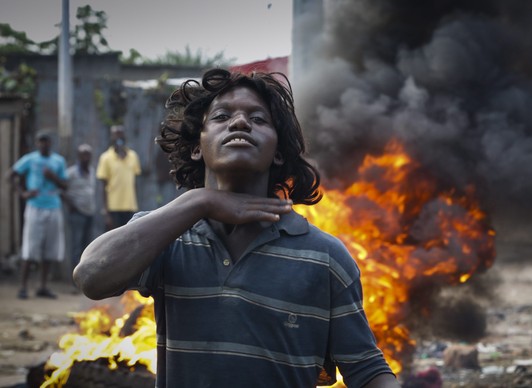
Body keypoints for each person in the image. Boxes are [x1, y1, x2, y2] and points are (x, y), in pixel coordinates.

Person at [74, 69, 401, 387]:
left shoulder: (325, 257)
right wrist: (199, 202)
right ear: (198, 147)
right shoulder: (167, 237)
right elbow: (91, 276)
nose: (241, 122)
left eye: (258, 119)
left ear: (277, 153)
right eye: (221, 117)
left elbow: (368, 370)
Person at [7, 130, 68, 299]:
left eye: (46, 141)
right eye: (40, 141)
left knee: (50, 249)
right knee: (29, 249)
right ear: (36, 143)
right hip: (35, 207)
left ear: (51, 143)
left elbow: (65, 185)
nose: (43, 144)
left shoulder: (58, 161)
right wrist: (23, 193)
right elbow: (11, 175)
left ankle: (43, 286)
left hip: (53, 207)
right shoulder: (30, 159)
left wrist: (53, 176)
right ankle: (23, 287)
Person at [95, 124, 141, 230]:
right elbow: (103, 186)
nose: (118, 138)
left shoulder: (133, 156)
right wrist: (105, 212)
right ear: (111, 137)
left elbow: (134, 182)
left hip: (130, 206)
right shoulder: (105, 158)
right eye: (116, 135)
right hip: (113, 208)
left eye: (121, 134)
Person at [62, 144, 96, 285]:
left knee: (88, 247)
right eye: (83, 154)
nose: (86, 157)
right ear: (78, 156)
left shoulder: (92, 171)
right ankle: (74, 281)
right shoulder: (71, 172)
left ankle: (85, 280)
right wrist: (70, 205)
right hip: (77, 214)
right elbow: (61, 190)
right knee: (76, 247)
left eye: (88, 154)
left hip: (90, 213)